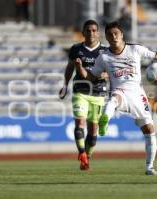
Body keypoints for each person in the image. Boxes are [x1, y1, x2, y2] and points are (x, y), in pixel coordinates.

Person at [74, 21, 157, 176]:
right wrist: (80, 68)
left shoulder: (135, 49)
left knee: (149, 130)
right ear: (106, 37)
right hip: (120, 91)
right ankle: (105, 118)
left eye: (116, 33)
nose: (113, 36)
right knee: (115, 98)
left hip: (138, 95)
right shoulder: (104, 57)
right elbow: (92, 77)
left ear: (122, 35)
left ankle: (149, 167)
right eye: (110, 34)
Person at [59, 20, 108, 170]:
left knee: (93, 131)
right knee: (80, 124)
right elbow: (69, 68)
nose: (91, 33)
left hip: (99, 93)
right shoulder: (76, 49)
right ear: (83, 33)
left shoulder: (106, 51)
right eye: (88, 30)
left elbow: (112, 70)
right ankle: (82, 155)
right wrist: (65, 85)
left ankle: (87, 157)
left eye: (94, 30)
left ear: (98, 33)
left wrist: (106, 74)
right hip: (80, 91)